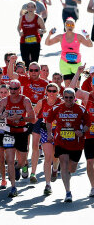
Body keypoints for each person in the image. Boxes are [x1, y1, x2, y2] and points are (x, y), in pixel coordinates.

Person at [0, 79, 35, 197]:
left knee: (21, 161)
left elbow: (33, 118)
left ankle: (19, 167)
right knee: (10, 160)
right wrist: (3, 116)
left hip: (21, 132)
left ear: (19, 89)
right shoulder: (5, 100)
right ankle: (13, 187)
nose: (12, 91)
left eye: (15, 89)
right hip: (9, 131)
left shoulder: (25, 100)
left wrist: (21, 118)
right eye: (10, 89)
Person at [46, 88, 90, 202]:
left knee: (72, 168)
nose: (69, 100)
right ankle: (68, 192)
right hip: (61, 141)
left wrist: (83, 131)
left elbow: (88, 123)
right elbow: (48, 120)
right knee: (64, 165)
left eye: (71, 98)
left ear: (74, 98)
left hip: (76, 144)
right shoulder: (57, 108)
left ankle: (65, 175)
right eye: (66, 97)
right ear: (63, 98)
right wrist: (49, 133)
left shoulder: (81, 109)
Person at [69, 65, 94, 197]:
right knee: (90, 161)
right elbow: (71, 89)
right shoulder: (86, 96)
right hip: (89, 136)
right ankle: (93, 186)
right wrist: (78, 72)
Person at [45, 17, 93, 87]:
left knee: (76, 86)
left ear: (74, 26)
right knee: (67, 86)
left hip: (76, 64)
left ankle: (76, 98)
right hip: (65, 63)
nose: (70, 26)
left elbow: (90, 45)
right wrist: (49, 34)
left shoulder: (79, 36)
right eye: (68, 25)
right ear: (65, 26)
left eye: (72, 25)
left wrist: (88, 37)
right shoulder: (61, 37)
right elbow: (47, 43)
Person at [33, 83, 63, 193]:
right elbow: (35, 113)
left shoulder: (62, 103)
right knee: (48, 156)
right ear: (46, 92)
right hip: (45, 130)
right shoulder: (42, 102)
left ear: (58, 92)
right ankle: (47, 185)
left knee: (56, 155)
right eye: (49, 91)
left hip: (58, 132)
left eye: (54, 91)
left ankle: (55, 168)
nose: (51, 93)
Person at [18, 1, 46, 68]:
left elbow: (44, 30)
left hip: (35, 42)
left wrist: (41, 31)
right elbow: (18, 27)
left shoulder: (38, 18)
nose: (30, 9)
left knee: (34, 62)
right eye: (29, 7)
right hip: (24, 42)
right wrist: (20, 32)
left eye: (32, 7)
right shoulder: (22, 18)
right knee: (25, 61)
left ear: (35, 8)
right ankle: (27, 76)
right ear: (26, 8)